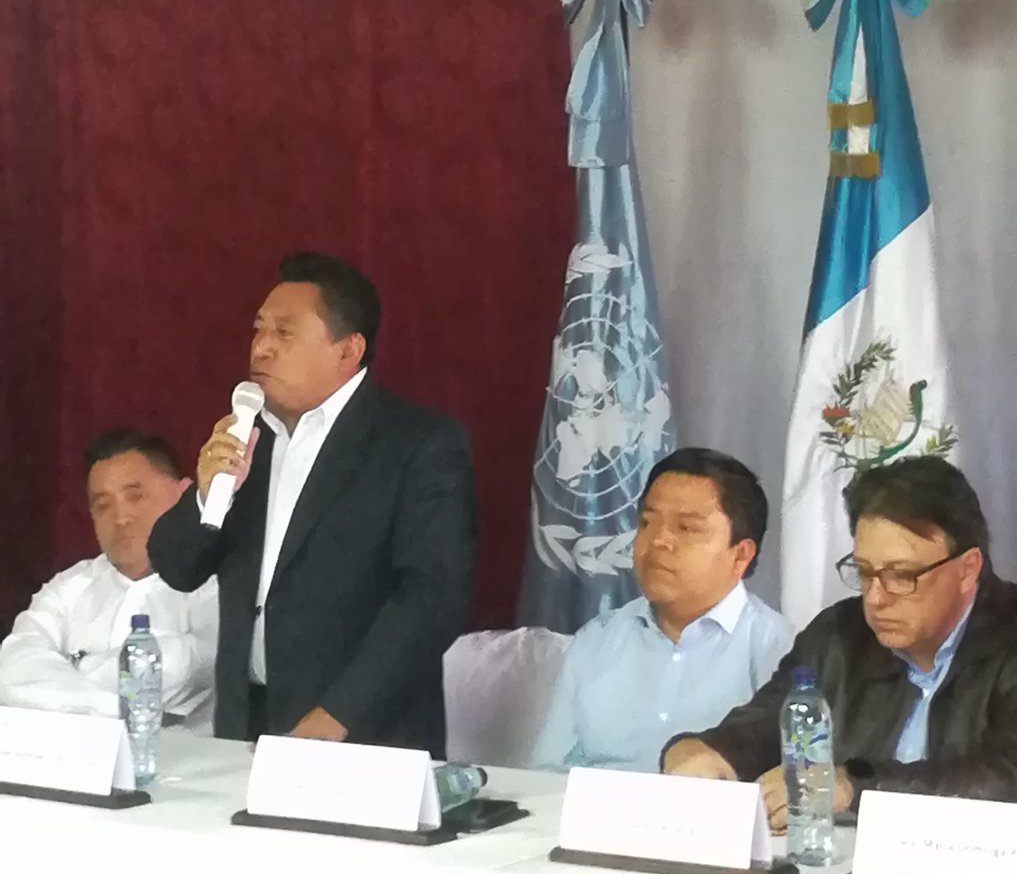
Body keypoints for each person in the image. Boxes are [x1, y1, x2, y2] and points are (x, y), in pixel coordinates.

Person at [148, 251, 475, 757]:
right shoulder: (247, 440)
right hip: (245, 727)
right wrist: (206, 495)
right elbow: (175, 566)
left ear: (347, 350)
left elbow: (431, 598)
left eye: (284, 332)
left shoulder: (416, 443)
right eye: (258, 330)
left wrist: (339, 715)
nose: (261, 347)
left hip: (364, 737)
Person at [662, 456, 1017, 825]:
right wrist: (709, 752)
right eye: (864, 572)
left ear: (967, 569)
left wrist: (854, 788)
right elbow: (771, 722)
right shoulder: (839, 635)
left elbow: (1005, 776)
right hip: (845, 857)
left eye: (901, 575)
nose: (875, 598)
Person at [531, 448, 793, 772]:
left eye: (686, 528)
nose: (658, 541)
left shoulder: (780, 649)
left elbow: (788, 784)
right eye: (647, 522)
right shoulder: (597, 640)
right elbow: (547, 773)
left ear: (740, 555)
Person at [0, 430, 218, 724]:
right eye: (103, 505)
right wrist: (121, 712)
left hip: (180, 752)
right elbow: (13, 669)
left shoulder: (215, 584)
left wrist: (74, 665)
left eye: (136, 496)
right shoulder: (68, 587)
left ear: (184, 493)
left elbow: (182, 669)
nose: (121, 518)